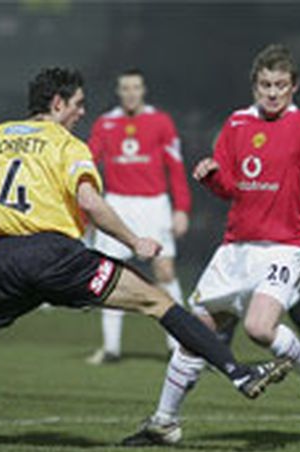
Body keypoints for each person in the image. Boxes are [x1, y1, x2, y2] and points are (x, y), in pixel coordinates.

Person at [0, 67, 292, 424]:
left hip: (3, 263)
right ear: (57, 104)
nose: (82, 112)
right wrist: (135, 241)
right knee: (157, 301)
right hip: (55, 257)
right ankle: (238, 373)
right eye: (77, 104)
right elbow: (90, 202)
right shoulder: (66, 144)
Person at [121, 44, 300, 446]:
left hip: (286, 246)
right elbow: (232, 189)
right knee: (194, 336)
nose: (272, 93)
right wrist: (211, 178)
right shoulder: (235, 124)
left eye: (281, 85)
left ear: (294, 87)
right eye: (266, 85)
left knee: (257, 327)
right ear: (254, 85)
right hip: (235, 249)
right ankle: (164, 422)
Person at [86, 69, 191, 363]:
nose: (130, 93)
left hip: (154, 205)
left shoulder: (161, 121)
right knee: (110, 275)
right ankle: (111, 348)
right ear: (119, 91)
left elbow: (176, 167)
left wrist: (181, 209)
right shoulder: (105, 123)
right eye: (125, 88)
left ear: (143, 90)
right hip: (117, 204)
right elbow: (89, 165)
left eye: (135, 87)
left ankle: (180, 346)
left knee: (165, 272)